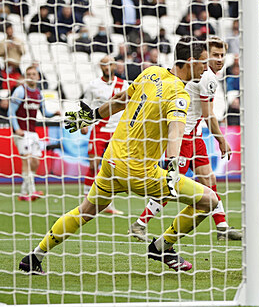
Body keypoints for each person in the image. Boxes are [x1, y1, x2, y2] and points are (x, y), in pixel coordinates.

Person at [18, 37, 219, 274]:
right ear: (190, 61)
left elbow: (121, 99)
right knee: (210, 200)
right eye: (203, 63)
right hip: (140, 171)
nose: (206, 68)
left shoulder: (151, 73)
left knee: (85, 211)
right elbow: (176, 131)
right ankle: (162, 246)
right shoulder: (180, 94)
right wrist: (172, 169)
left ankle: (34, 256)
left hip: (112, 161)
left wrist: (92, 115)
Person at [129, 37, 240, 242]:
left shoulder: (206, 77)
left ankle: (222, 226)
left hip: (195, 136)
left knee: (209, 179)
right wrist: (221, 140)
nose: (219, 59)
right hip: (183, 136)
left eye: (222, 55)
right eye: (214, 55)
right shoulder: (207, 78)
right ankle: (140, 223)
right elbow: (208, 115)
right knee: (172, 184)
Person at [78, 55, 127, 214]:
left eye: (110, 64)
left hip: (117, 131)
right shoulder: (93, 85)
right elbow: (86, 105)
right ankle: (86, 199)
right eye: (104, 64)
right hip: (99, 129)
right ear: (100, 66)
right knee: (93, 165)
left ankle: (108, 204)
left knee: (113, 167)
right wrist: (83, 123)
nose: (107, 67)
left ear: (114, 66)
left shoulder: (123, 84)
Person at [9, 66, 61, 201]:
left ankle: (22, 193)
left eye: (34, 74)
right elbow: (11, 111)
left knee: (36, 162)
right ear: (26, 76)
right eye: (29, 74)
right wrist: (16, 129)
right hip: (21, 132)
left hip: (32, 132)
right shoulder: (21, 91)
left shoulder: (38, 93)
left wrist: (53, 113)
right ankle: (32, 192)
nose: (31, 76)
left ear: (38, 77)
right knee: (26, 159)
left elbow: (44, 113)